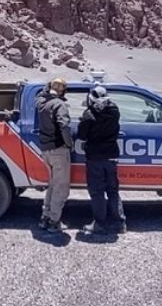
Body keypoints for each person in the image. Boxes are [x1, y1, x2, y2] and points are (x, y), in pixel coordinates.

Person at [77, 85, 126, 235]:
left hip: (95, 157)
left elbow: (82, 135)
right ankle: (119, 223)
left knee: (97, 191)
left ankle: (100, 223)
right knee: (112, 190)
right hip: (111, 156)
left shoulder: (89, 115)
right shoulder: (114, 111)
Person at [36, 77, 73, 233]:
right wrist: (69, 143)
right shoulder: (59, 104)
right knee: (61, 187)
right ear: (62, 90)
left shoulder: (41, 103)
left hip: (46, 150)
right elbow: (63, 125)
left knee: (52, 185)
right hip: (58, 150)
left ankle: (45, 217)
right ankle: (54, 221)